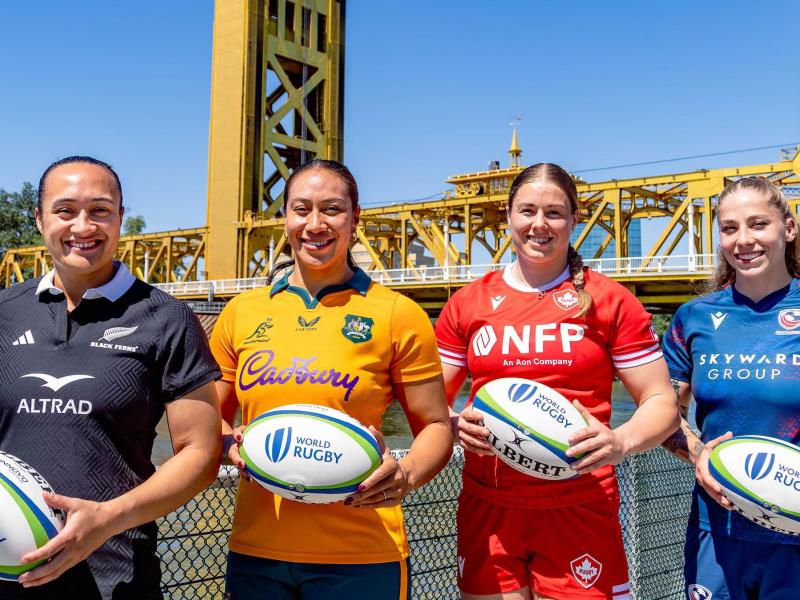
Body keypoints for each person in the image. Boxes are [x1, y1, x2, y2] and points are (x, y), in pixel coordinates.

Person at [211, 159, 452, 600]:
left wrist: (408, 474)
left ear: (355, 219)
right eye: (301, 209)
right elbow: (207, 421)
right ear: (284, 218)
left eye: (333, 209)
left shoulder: (398, 314)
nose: (315, 224)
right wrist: (229, 447)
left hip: (362, 554)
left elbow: (435, 425)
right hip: (257, 552)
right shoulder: (241, 313)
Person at [436, 162, 679, 600]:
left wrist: (621, 442)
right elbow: (428, 402)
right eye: (527, 211)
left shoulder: (610, 300)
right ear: (508, 215)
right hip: (490, 506)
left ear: (574, 219)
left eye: (554, 213)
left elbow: (661, 400)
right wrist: (452, 425)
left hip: (581, 504)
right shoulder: (467, 303)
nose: (539, 224)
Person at [0, 156, 222, 600]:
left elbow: (201, 452)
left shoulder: (167, 318)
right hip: (7, 568)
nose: (83, 226)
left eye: (100, 210)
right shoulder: (5, 311)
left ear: (121, 218)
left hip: (115, 576)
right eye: (65, 211)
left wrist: (109, 518)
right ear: (39, 218)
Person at [662, 176, 800, 599]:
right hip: (717, 528)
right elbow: (662, 412)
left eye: (759, 224)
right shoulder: (693, 318)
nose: (744, 239)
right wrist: (697, 452)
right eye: (730, 228)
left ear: (789, 228)